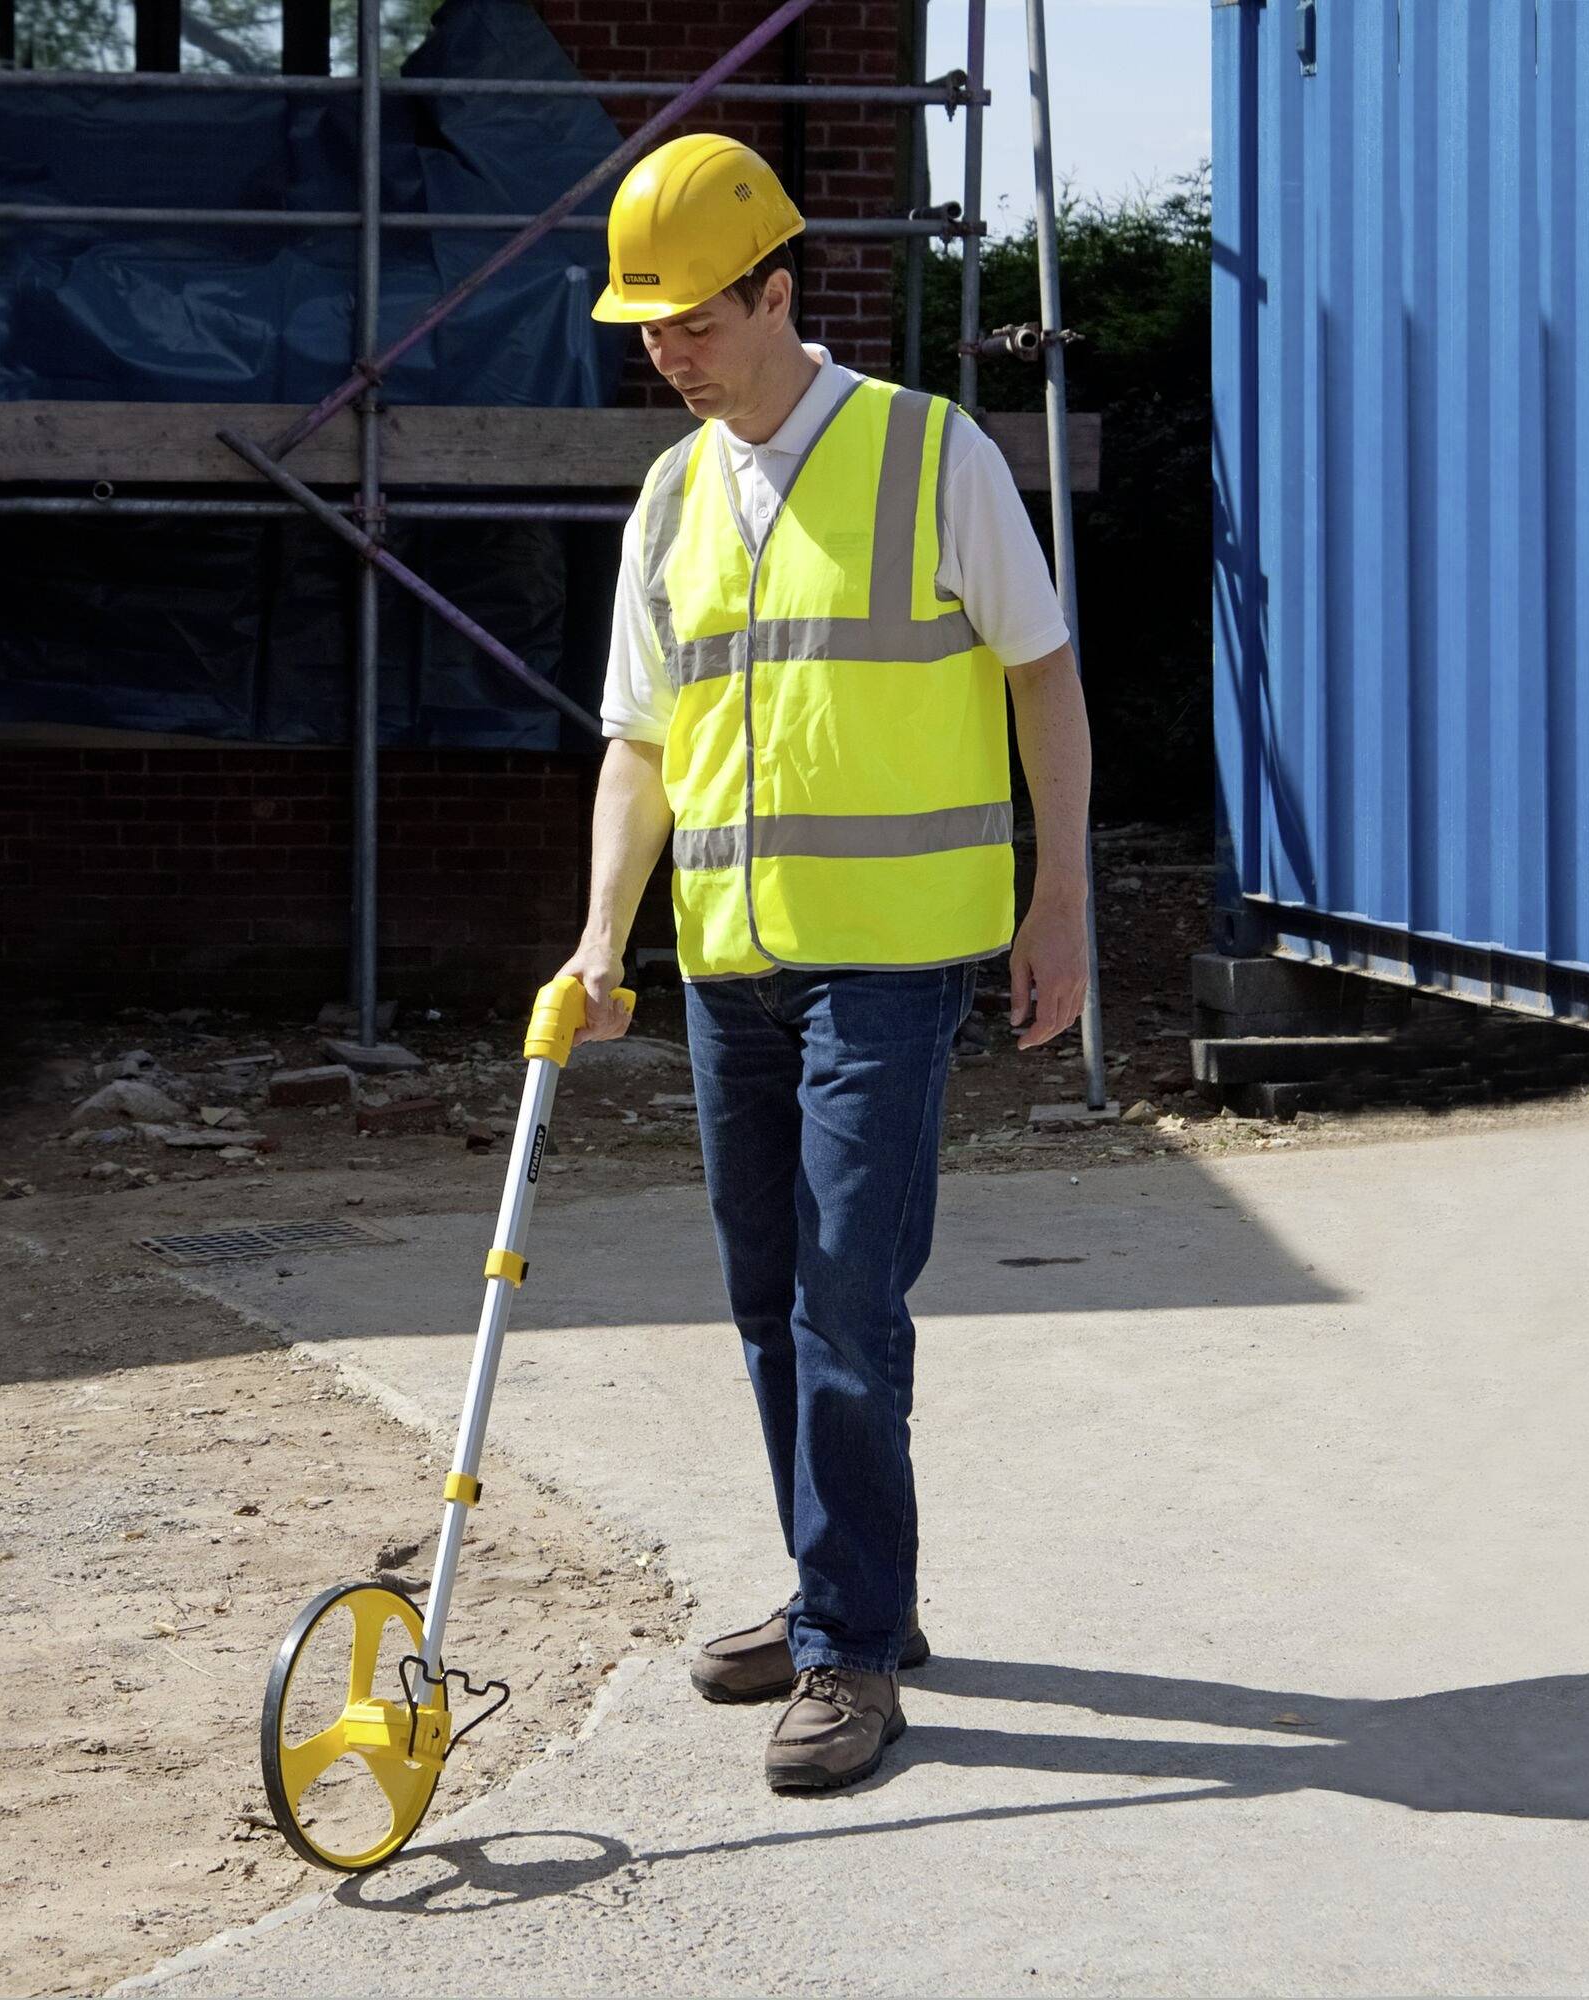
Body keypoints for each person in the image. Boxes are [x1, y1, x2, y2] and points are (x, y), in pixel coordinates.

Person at [552, 132, 1092, 1793]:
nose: (665, 352)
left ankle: (853, 1649)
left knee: (850, 1296)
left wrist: (1060, 902)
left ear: (782, 291)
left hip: (898, 960)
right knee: (765, 1298)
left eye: (695, 319)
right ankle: (836, 1594)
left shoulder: (934, 459)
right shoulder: (669, 494)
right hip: (732, 966)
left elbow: (1044, 680)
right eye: (643, 326)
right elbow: (640, 745)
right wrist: (599, 939)